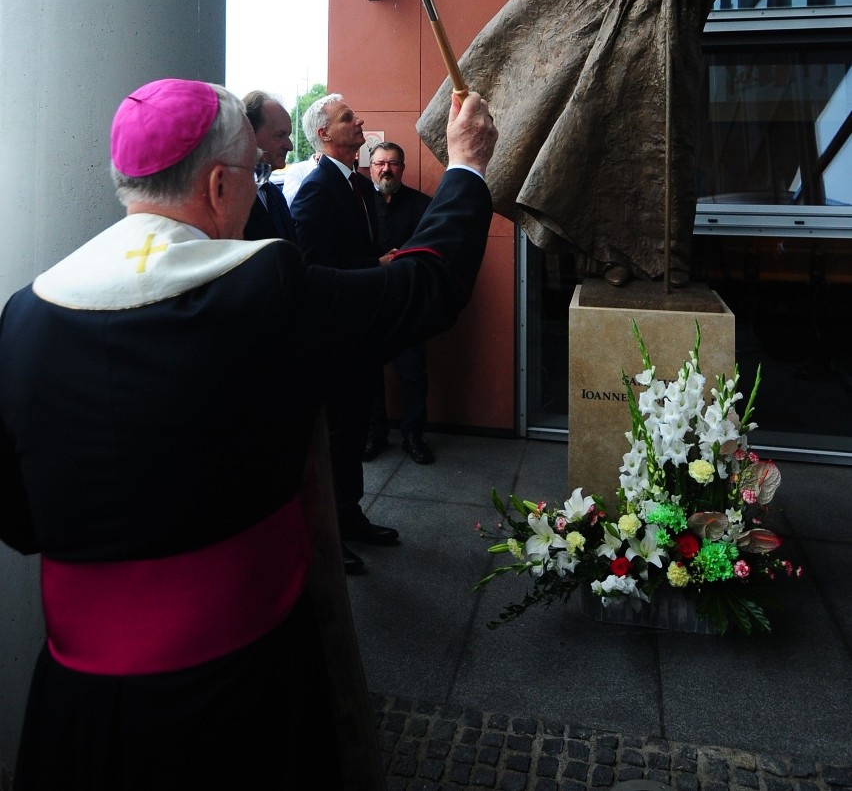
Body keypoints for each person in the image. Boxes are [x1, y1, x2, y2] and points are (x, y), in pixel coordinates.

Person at [0, 77, 497, 790]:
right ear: (221, 185)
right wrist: (467, 165)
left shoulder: (26, 312)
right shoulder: (264, 289)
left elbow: (18, 519)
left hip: (77, 706)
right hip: (244, 685)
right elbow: (425, 288)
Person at [417, 0, 735, 288]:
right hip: (605, 87)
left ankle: (671, 259)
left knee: (666, 171)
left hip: (665, 88)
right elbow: (542, 11)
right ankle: (609, 258)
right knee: (604, 173)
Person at [290, 94, 398, 575]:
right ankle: (331, 534)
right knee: (338, 434)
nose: (360, 122)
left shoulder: (356, 183)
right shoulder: (317, 189)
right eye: (347, 119)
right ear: (323, 135)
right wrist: (373, 266)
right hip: (335, 335)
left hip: (360, 330)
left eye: (356, 115)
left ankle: (350, 518)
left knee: (354, 428)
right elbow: (312, 264)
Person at [364, 141, 435, 465]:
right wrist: (374, 261)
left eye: (392, 163)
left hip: (408, 303)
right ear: (371, 166)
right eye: (380, 163)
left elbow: (433, 252)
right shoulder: (358, 205)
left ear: (402, 168)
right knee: (368, 373)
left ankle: (412, 436)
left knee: (413, 373)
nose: (386, 169)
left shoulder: (423, 206)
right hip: (370, 302)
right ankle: (375, 433)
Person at [241, 89, 298, 242]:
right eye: (280, 135)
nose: (290, 146)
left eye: (289, 135)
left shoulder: (275, 194)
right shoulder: (232, 200)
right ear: (249, 134)